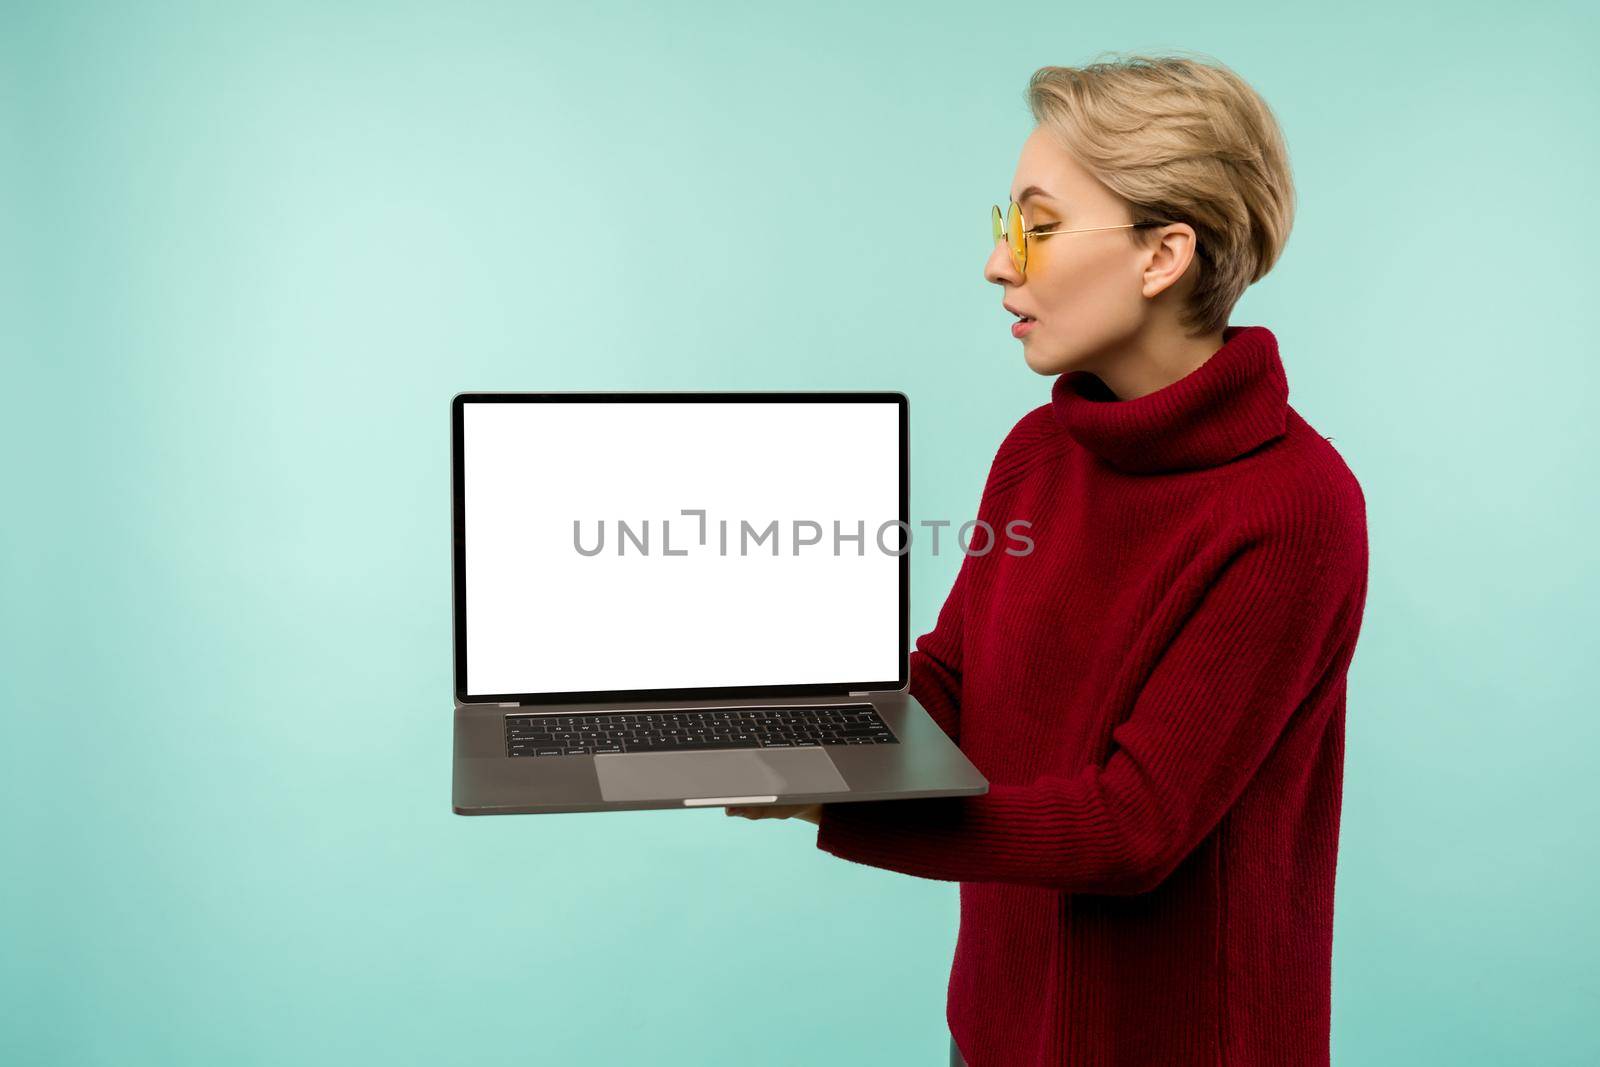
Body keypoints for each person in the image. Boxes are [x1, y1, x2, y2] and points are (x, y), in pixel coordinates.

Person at [728, 51, 1369, 1066]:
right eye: (1005, 223)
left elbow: (1132, 827)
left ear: (1162, 257)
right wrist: (784, 712)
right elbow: (950, 683)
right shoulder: (1037, 451)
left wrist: (827, 797)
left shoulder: (1295, 511)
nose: (999, 262)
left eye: (1039, 225)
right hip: (994, 1034)